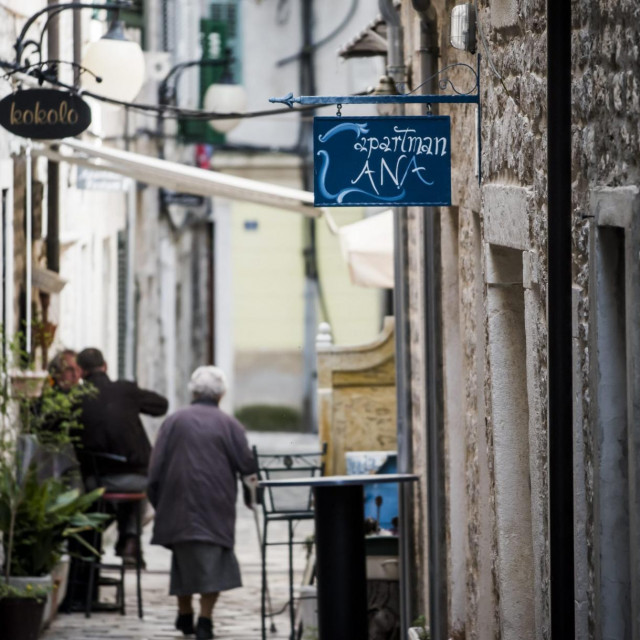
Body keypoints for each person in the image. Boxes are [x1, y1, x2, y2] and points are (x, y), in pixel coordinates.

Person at [147, 365, 258, 640]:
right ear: (221, 395)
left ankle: (185, 613)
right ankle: (205, 619)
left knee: (184, 560)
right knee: (214, 562)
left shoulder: (173, 421)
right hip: (215, 504)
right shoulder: (230, 425)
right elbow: (247, 466)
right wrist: (252, 497)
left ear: (194, 392)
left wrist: (159, 501)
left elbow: (155, 467)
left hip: (178, 501)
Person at [75, 347, 169, 563]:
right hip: (136, 477)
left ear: (80, 372)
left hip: (95, 483)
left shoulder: (76, 398)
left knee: (101, 503)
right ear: (105, 366)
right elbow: (161, 405)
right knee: (135, 495)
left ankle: (98, 548)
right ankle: (130, 540)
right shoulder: (125, 390)